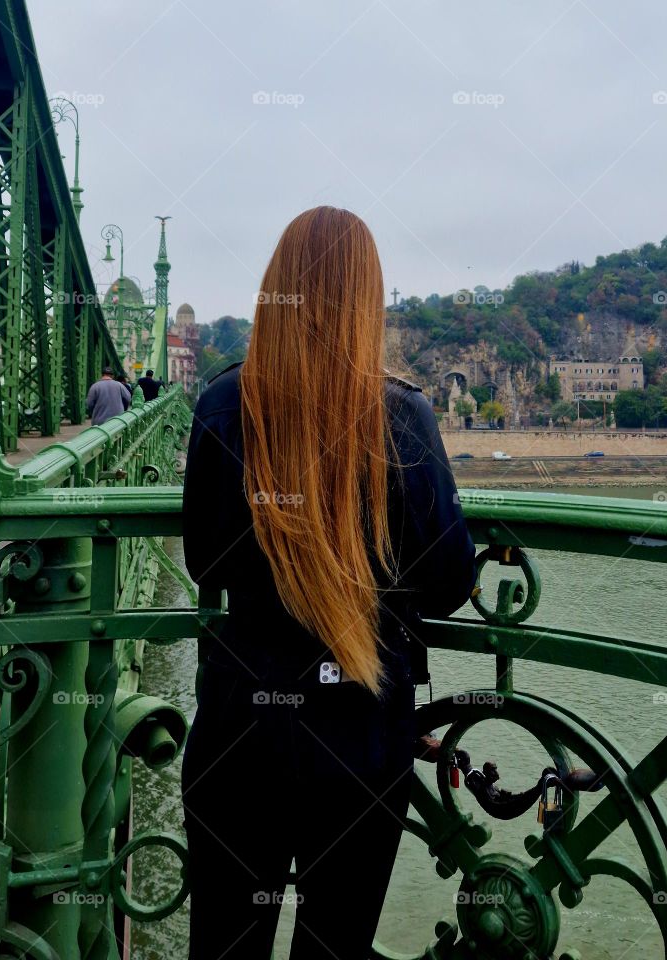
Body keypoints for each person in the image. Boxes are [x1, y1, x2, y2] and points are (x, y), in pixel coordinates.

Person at [181, 206, 476, 960]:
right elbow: (445, 582)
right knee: (334, 947)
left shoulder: (220, 402)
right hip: (358, 729)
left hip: (238, 722)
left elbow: (206, 562)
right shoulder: (403, 415)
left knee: (224, 944)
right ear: (366, 300)